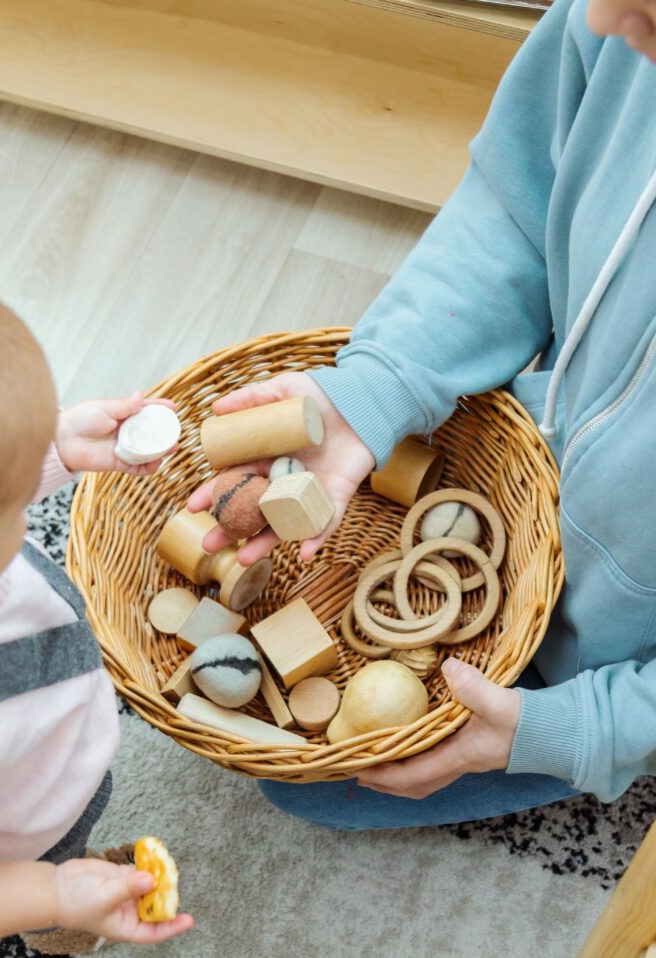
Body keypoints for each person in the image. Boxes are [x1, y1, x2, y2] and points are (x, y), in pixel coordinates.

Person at [188, 0, 656, 829]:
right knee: (303, 778)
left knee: (332, 792)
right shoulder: (616, 21)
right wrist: (374, 390)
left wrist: (590, 727)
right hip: (522, 503)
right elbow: (517, 209)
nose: (604, 15)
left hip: (621, 660)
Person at [0, 279, 193, 955]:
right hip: (25, 833)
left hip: (53, 748)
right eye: (14, 503)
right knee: (64, 869)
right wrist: (51, 892)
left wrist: (53, 447)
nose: (28, 515)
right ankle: (58, 933)